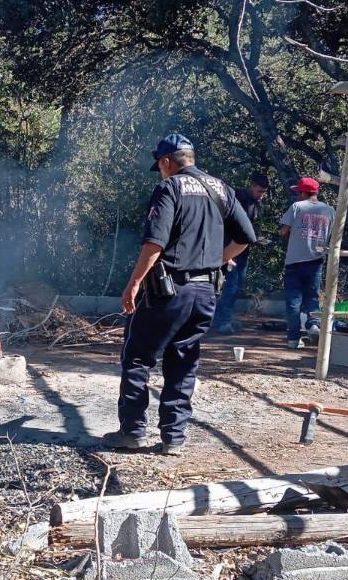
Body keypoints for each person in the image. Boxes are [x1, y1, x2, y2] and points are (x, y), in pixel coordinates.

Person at [102, 133, 256, 455]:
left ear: (166, 162)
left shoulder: (169, 187)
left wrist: (133, 283)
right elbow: (246, 237)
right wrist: (219, 261)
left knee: (138, 358)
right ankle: (173, 438)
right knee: (183, 361)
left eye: (159, 166)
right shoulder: (221, 188)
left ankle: (132, 432)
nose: (160, 172)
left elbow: (155, 242)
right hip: (206, 293)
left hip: (168, 290)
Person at [210, 171, 270, 333]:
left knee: (235, 286)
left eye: (264, 192)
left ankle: (223, 318)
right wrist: (225, 252)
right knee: (230, 285)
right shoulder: (239, 199)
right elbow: (227, 226)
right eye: (259, 191)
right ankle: (223, 322)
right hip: (230, 249)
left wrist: (255, 239)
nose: (262, 195)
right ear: (252, 186)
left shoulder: (254, 202)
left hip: (242, 250)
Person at [278, 177, 334, 349]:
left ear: (303, 193)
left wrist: (287, 236)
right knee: (312, 296)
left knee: (293, 300)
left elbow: (283, 231)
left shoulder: (297, 207)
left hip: (294, 260)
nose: (297, 196)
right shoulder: (330, 210)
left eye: (298, 193)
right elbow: (331, 235)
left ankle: (293, 339)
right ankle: (313, 325)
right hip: (316, 260)